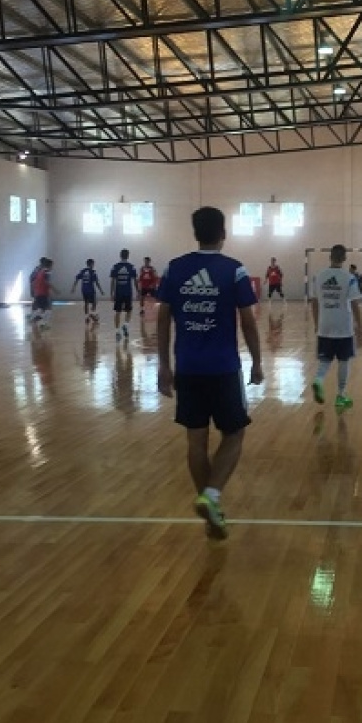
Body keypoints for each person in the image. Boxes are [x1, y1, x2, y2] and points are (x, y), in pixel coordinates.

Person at [157, 207, 263, 541]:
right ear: (223, 233)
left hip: (187, 368)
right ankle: (212, 496)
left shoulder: (174, 268)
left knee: (196, 441)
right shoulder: (233, 270)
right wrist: (257, 361)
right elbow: (248, 321)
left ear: (195, 233)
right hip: (223, 368)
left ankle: (210, 510)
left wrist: (163, 365)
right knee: (235, 434)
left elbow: (162, 318)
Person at [311, 244, 362, 409]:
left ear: (330, 257)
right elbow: (354, 303)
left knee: (325, 360)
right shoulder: (349, 278)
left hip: (324, 326)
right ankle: (341, 395)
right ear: (344, 258)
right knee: (344, 360)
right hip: (343, 327)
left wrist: (316, 323)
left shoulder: (318, 276)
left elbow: (314, 302)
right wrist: (360, 326)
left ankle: (318, 380)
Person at [110, 249, 138, 341]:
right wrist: (138, 291)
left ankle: (117, 332)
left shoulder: (115, 267)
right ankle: (126, 325)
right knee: (129, 311)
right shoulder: (131, 267)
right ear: (128, 256)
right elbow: (135, 280)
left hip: (118, 292)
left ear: (120, 255)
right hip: (128, 292)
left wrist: (111, 293)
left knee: (118, 312)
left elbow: (112, 281)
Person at [72, 258, 104, 324]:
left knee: (86, 303)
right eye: (93, 264)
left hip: (84, 290)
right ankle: (92, 314)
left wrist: (73, 287)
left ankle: (87, 317)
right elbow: (96, 282)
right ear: (91, 264)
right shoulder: (92, 272)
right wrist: (101, 290)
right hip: (90, 290)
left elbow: (77, 279)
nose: (93, 265)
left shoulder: (83, 271)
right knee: (94, 303)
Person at [31, 257, 57, 329]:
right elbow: (46, 282)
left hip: (39, 293)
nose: (52, 267)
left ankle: (35, 319)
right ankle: (41, 323)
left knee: (41, 309)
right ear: (49, 265)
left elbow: (35, 281)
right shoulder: (47, 272)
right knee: (48, 309)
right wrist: (55, 289)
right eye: (52, 266)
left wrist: (34, 290)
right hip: (43, 294)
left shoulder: (40, 271)